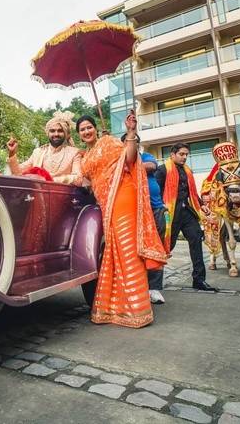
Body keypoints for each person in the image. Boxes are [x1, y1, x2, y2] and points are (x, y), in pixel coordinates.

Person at [78, 112, 168, 328]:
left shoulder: (108, 142)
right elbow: (87, 179)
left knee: (127, 249)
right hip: (105, 203)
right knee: (114, 251)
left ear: (95, 128)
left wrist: (130, 132)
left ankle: (137, 310)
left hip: (122, 195)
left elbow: (129, 159)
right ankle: (118, 306)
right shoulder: (84, 156)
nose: (87, 131)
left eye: (89, 127)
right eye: (82, 129)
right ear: (79, 134)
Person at [155, 143, 218, 292]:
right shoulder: (162, 170)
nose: (184, 157)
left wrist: (201, 204)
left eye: (186, 155)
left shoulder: (188, 171)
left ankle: (199, 279)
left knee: (196, 239)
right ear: (173, 154)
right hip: (169, 213)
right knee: (165, 247)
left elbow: (192, 191)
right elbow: (155, 192)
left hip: (186, 211)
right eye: (182, 154)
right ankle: (153, 283)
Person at [6, 110, 81, 184]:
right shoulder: (38, 152)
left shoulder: (74, 153)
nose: (56, 134)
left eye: (60, 131)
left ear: (66, 134)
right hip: (39, 194)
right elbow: (18, 173)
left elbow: (78, 178)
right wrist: (12, 154)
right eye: (52, 131)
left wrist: (50, 180)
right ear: (47, 133)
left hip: (64, 194)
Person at [140, 148, 169, 304]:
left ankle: (154, 288)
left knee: (156, 247)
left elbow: (151, 166)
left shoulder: (146, 156)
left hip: (155, 209)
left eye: (135, 143)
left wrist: (128, 164)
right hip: (134, 210)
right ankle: (141, 286)